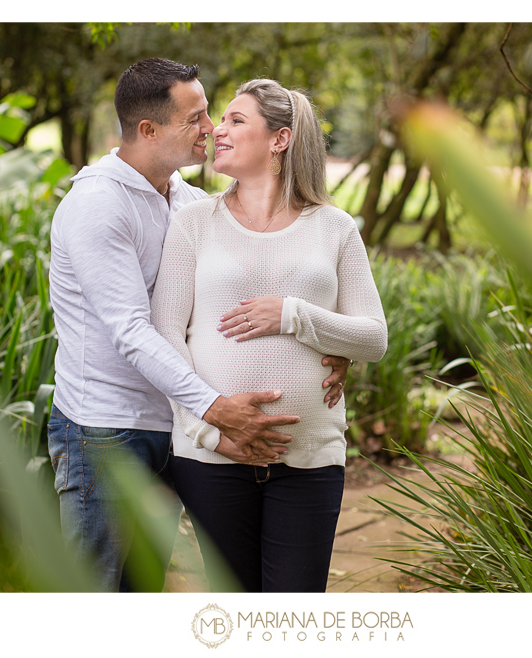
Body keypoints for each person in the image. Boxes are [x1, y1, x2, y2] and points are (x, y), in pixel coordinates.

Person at [46, 59, 349, 592]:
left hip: (170, 428)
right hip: (106, 432)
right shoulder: (97, 204)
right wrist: (215, 412)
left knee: (141, 591)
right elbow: (133, 330)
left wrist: (326, 340)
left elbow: (227, 296)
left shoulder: (186, 201)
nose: (211, 129)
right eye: (198, 117)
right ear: (149, 130)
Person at [150, 78, 388, 592]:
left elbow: (373, 338)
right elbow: (166, 336)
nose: (218, 131)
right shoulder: (194, 222)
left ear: (279, 140)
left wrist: (294, 316)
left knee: (291, 615)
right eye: (222, 120)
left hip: (309, 458)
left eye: (237, 120)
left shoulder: (334, 227)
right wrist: (212, 431)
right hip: (213, 459)